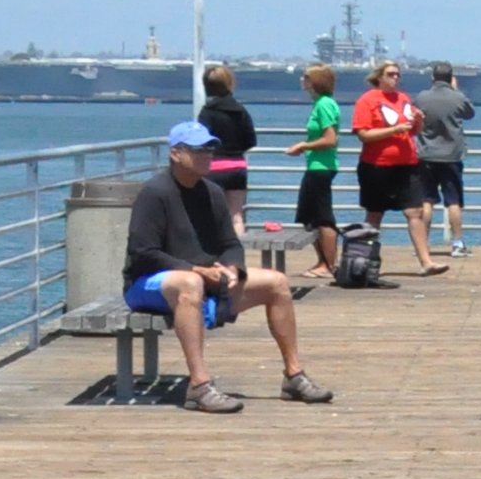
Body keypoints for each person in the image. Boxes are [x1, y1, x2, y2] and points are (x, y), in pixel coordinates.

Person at [125, 120, 332, 412]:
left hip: (203, 280)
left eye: (210, 149)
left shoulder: (212, 192)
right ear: (175, 153)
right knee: (190, 283)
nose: (207, 155)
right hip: (148, 283)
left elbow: (230, 244)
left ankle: (294, 376)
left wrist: (233, 269)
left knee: (277, 282)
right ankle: (199, 386)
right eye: (198, 150)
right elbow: (143, 252)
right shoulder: (155, 192)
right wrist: (196, 270)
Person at [349, 59, 439, 275]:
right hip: (377, 166)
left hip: (407, 164)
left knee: (415, 211)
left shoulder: (403, 98)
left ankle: (426, 262)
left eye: (398, 74)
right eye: (390, 74)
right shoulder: (367, 101)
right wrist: (394, 130)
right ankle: (365, 262)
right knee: (375, 214)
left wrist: (418, 121)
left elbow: (413, 131)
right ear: (379, 77)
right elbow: (364, 134)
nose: (395, 78)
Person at [289, 60, 345, 279]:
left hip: (321, 167)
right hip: (315, 165)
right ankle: (323, 260)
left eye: (306, 77)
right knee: (309, 216)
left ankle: (329, 265)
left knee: (323, 217)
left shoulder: (324, 105)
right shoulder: (320, 104)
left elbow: (330, 139)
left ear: (315, 81)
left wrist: (304, 146)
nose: (302, 80)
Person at [416, 62, 475, 258]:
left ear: (432, 78)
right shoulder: (458, 97)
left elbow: (413, 116)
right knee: (453, 201)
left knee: (426, 200)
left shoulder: (422, 97)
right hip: (451, 157)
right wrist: (455, 90)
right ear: (451, 78)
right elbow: (470, 113)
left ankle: (422, 244)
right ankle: (457, 244)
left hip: (426, 155)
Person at [195, 63, 259, 242]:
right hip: (237, 166)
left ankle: (212, 254)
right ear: (230, 83)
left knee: (210, 216)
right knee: (236, 216)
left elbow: (201, 140)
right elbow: (251, 140)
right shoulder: (241, 111)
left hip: (213, 167)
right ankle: (237, 254)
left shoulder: (207, 112)